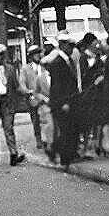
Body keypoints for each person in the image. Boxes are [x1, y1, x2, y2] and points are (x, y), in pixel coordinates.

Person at [40, 35, 81, 165]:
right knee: (65, 130)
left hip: (70, 101)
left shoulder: (68, 61)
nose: (72, 49)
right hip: (62, 103)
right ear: (63, 45)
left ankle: (59, 151)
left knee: (70, 129)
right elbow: (57, 86)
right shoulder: (57, 63)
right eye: (70, 46)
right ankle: (65, 158)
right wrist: (63, 103)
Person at [32, 40, 57, 160]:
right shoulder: (40, 78)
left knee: (57, 127)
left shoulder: (58, 76)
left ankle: (55, 147)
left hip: (57, 104)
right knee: (49, 126)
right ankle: (50, 147)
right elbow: (36, 93)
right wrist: (43, 98)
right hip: (46, 106)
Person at [18, 44, 44, 150]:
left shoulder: (45, 66)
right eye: (35, 54)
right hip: (33, 98)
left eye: (39, 53)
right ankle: (39, 139)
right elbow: (22, 83)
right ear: (31, 56)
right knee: (36, 119)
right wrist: (28, 92)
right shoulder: (25, 69)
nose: (38, 55)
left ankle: (49, 138)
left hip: (46, 96)